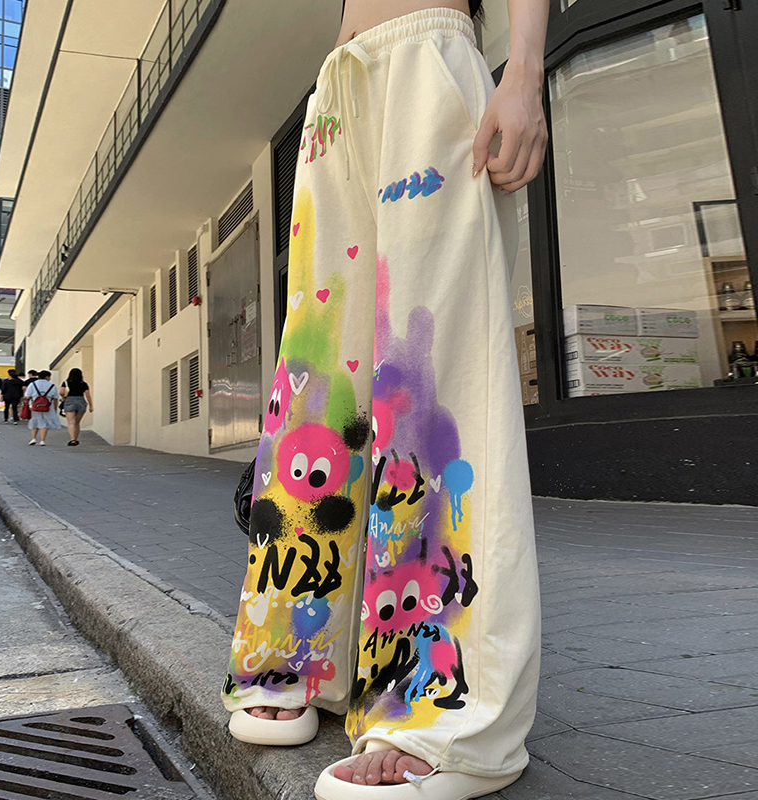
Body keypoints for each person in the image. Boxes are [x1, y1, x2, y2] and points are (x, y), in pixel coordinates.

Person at [221, 2, 549, 799]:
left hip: (430, 58)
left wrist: (525, 71)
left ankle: (437, 708)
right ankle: (301, 649)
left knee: (433, 381)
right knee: (317, 375)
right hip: (338, 91)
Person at [24, 370, 60, 445]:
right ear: (47, 377)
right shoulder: (52, 386)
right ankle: (42, 440)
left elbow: (27, 396)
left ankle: (33, 438)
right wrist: (55, 408)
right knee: (45, 423)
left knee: (35, 421)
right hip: (48, 406)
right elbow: (55, 398)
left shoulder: (32, 384)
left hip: (35, 406)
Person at [59, 368, 93, 446]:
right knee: (77, 422)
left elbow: (62, 392)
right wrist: (91, 406)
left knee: (71, 422)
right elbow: (88, 395)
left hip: (69, 401)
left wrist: (63, 397)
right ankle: (76, 439)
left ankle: (72, 439)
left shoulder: (66, 383)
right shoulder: (83, 384)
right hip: (81, 402)